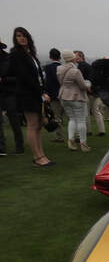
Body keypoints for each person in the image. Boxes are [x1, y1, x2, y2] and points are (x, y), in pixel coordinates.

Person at [9, 27, 54, 166]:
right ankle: (37, 157)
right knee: (32, 125)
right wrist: (40, 92)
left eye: (23, 35)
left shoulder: (31, 54)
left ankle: (41, 154)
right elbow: (24, 77)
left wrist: (44, 91)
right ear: (15, 39)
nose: (21, 38)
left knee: (39, 125)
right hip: (27, 94)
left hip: (36, 93)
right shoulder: (16, 54)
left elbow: (39, 75)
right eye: (18, 36)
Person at [56, 49, 91, 151]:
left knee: (72, 119)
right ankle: (83, 143)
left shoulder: (58, 69)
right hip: (76, 97)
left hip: (63, 96)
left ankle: (70, 140)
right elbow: (83, 86)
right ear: (71, 58)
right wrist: (88, 83)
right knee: (81, 120)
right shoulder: (75, 71)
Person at [0, 36, 25, 156]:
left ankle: (19, 146)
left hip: (9, 92)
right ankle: (1, 148)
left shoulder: (8, 58)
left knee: (14, 120)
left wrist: (3, 79)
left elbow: (17, 77)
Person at [44, 48, 66, 142]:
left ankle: (59, 136)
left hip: (54, 94)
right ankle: (75, 136)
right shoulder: (63, 67)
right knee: (70, 116)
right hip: (65, 94)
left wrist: (46, 93)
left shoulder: (48, 68)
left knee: (57, 117)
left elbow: (48, 82)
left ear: (50, 56)